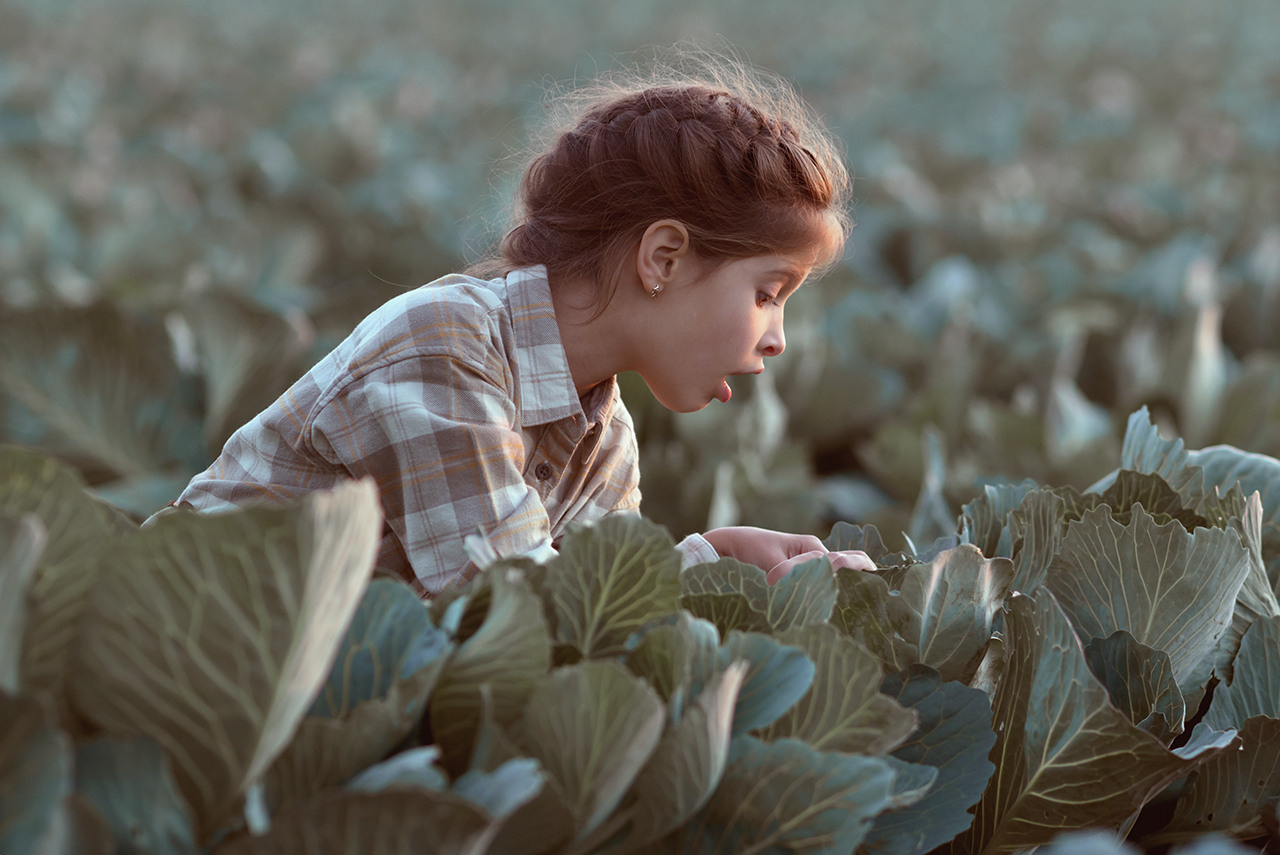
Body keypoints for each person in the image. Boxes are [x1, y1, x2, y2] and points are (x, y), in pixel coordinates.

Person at [168, 51, 875, 598]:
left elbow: (595, 613)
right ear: (663, 257)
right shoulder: (444, 345)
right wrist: (702, 564)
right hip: (162, 656)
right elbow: (513, 610)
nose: (777, 335)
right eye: (769, 292)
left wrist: (718, 559)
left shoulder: (604, 436)